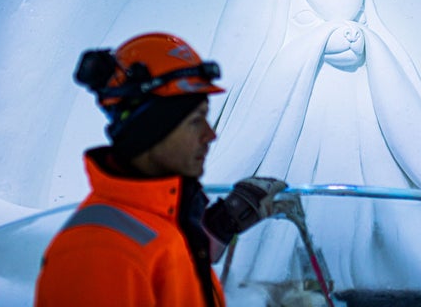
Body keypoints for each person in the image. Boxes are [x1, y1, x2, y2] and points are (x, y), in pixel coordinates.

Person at [34, 32, 287, 307]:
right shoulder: (99, 254)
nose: (210, 134)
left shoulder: (163, 221)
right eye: (195, 120)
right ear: (151, 130)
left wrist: (222, 224)